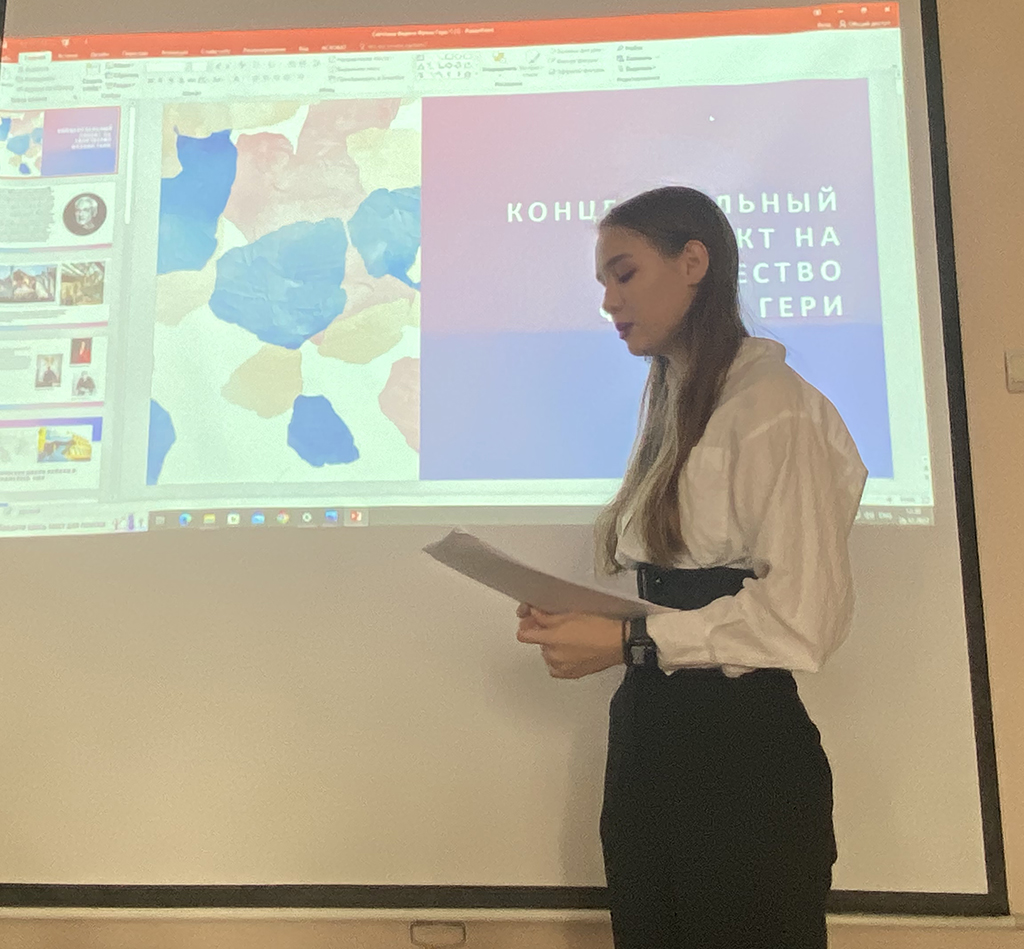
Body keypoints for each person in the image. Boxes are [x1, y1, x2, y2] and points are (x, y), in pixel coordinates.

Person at [516, 186, 867, 949]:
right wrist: (595, 621)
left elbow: (802, 617)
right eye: (602, 282)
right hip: (650, 744)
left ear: (694, 261)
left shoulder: (771, 405)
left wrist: (629, 641)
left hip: (739, 760)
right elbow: (688, 582)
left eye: (624, 273)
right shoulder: (674, 405)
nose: (608, 301)